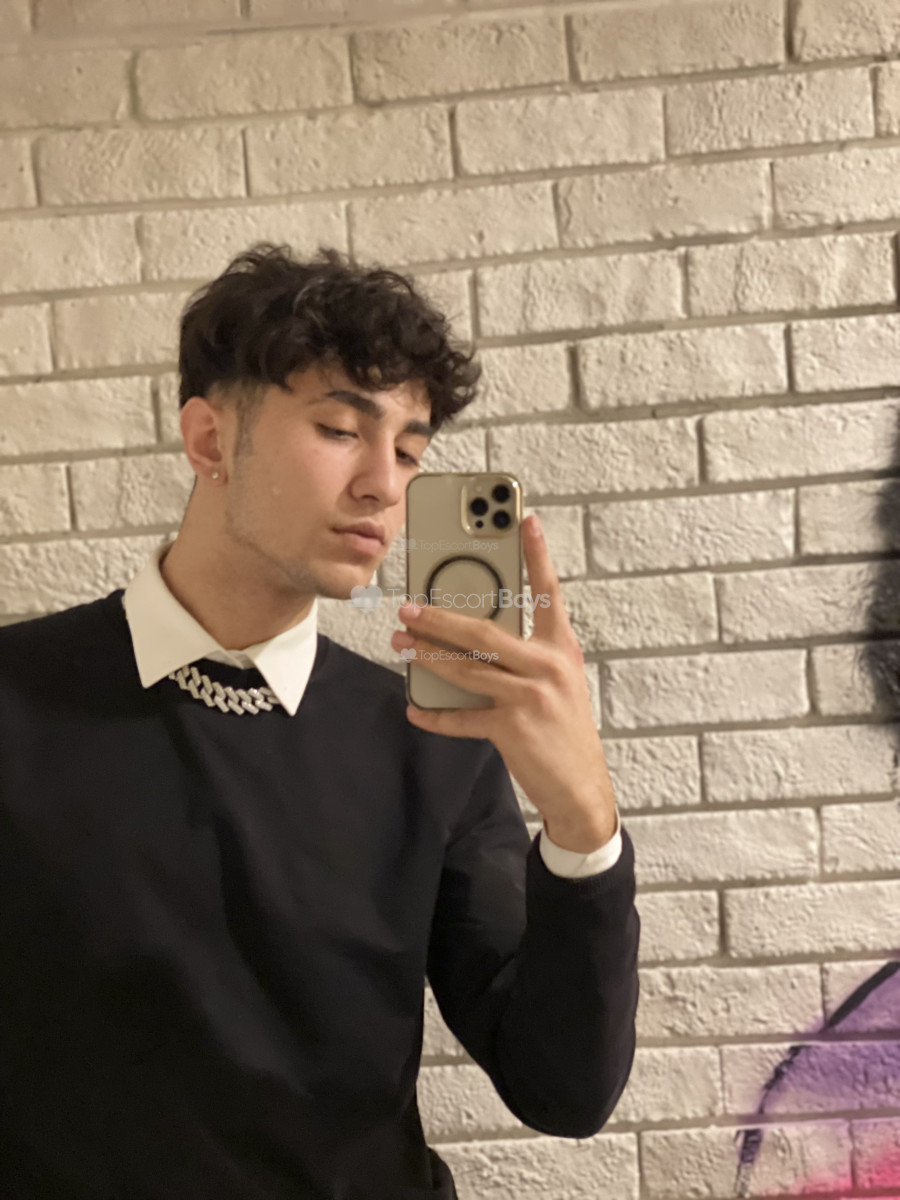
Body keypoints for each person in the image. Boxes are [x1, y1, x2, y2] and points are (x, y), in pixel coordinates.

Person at [0, 243, 640, 1200]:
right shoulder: (17, 701)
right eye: (342, 429)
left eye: (411, 451)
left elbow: (565, 1091)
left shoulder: (434, 744)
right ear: (211, 442)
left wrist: (582, 822)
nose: (385, 484)